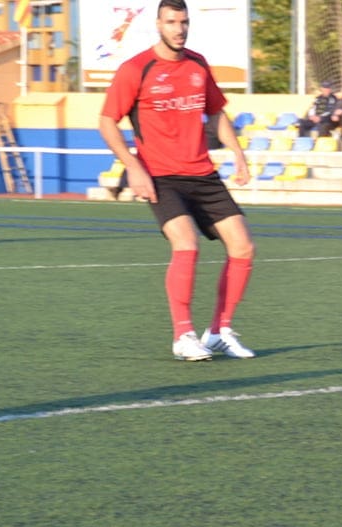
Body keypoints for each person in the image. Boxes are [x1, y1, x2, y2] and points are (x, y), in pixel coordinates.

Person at [99, 0, 257, 362]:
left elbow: (215, 113)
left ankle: (219, 332)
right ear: (158, 24)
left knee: (244, 247)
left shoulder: (198, 64)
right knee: (186, 244)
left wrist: (238, 154)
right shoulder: (136, 68)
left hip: (203, 174)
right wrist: (132, 167)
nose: (179, 29)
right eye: (171, 22)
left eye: (184, 22)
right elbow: (107, 121)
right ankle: (183, 334)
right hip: (161, 175)